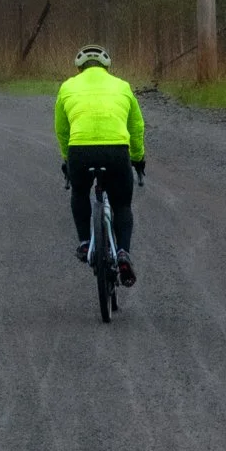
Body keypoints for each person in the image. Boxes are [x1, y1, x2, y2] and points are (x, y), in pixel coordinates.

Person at [54, 45, 146, 288]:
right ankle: (123, 252)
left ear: (79, 67)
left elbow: (62, 130)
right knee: (122, 204)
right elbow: (136, 127)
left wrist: (66, 159)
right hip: (116, 150)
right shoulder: (123, 86)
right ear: (107, 67)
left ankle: (85, 243)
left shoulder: (67, 86)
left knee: (80, 193)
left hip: (80, 150)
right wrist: (138, 158)